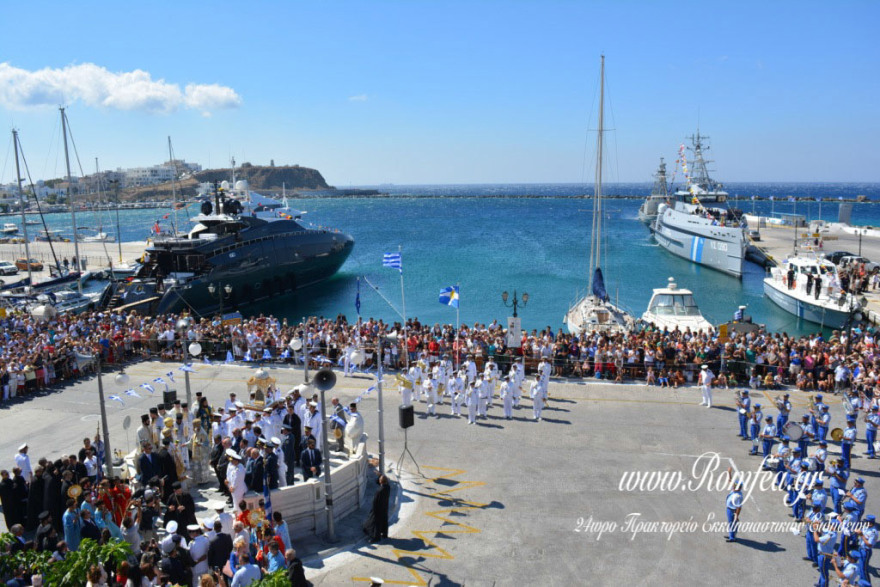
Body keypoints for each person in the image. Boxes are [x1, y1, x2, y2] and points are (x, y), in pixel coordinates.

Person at [363, 474, 390, 543]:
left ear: (380, 481)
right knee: (384, 521)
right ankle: (385, 534)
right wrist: (380, 475)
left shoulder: (379, 491)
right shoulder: (388, 487)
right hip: (385, 507)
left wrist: (374, 510)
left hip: (378, 509)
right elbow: (383, 482)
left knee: (377, 523)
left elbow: (375, 501)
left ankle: (376, 537)